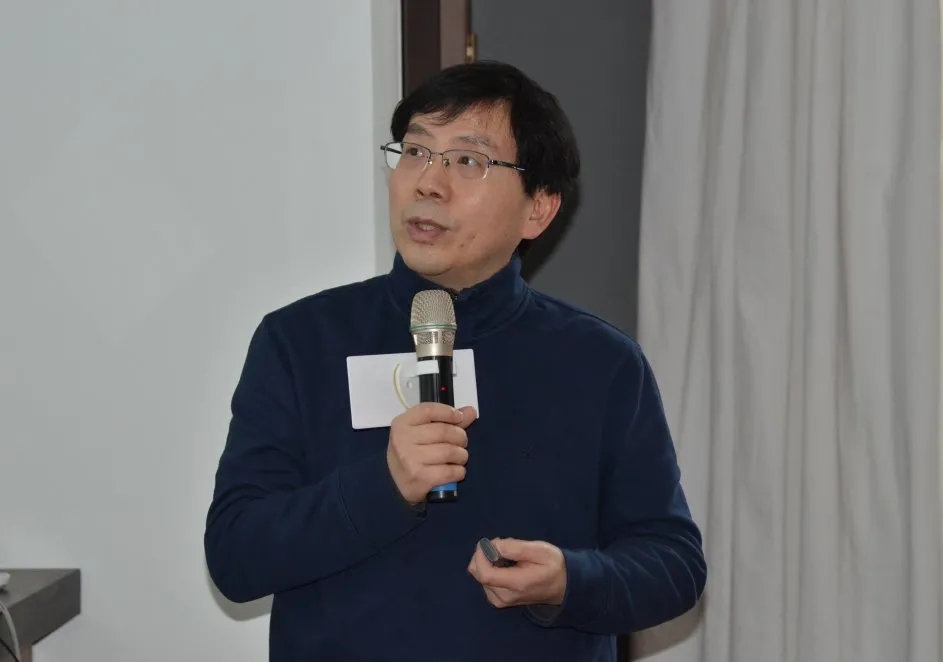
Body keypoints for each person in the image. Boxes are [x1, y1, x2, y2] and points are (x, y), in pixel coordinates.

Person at [204, 60, 706, 661]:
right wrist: (383, 486)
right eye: (416, 151)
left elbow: (673, 565)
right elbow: (235, 557)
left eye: (468, 161)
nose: (428, 183)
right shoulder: (300, 341)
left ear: (539, 209)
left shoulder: (601, 362)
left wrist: (570, 581)